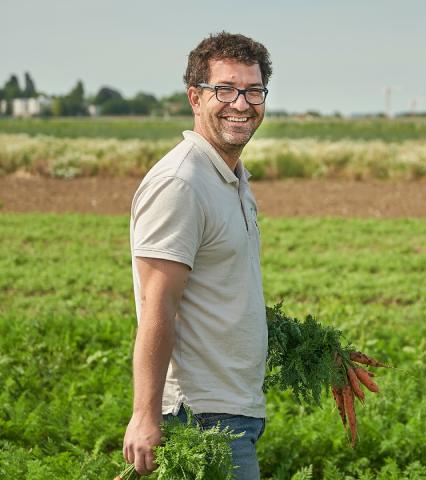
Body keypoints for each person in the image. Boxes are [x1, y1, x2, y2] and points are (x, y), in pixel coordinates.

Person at [122, 32, 272, 480]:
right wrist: (145, 415)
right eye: (225, 89)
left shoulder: (231, 178)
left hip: (234, 410)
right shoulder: (181, 182)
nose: (241, 104)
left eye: (253, 90)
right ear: (195, 97)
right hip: (201, 417)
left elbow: (222, 295)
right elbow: (158, 304)